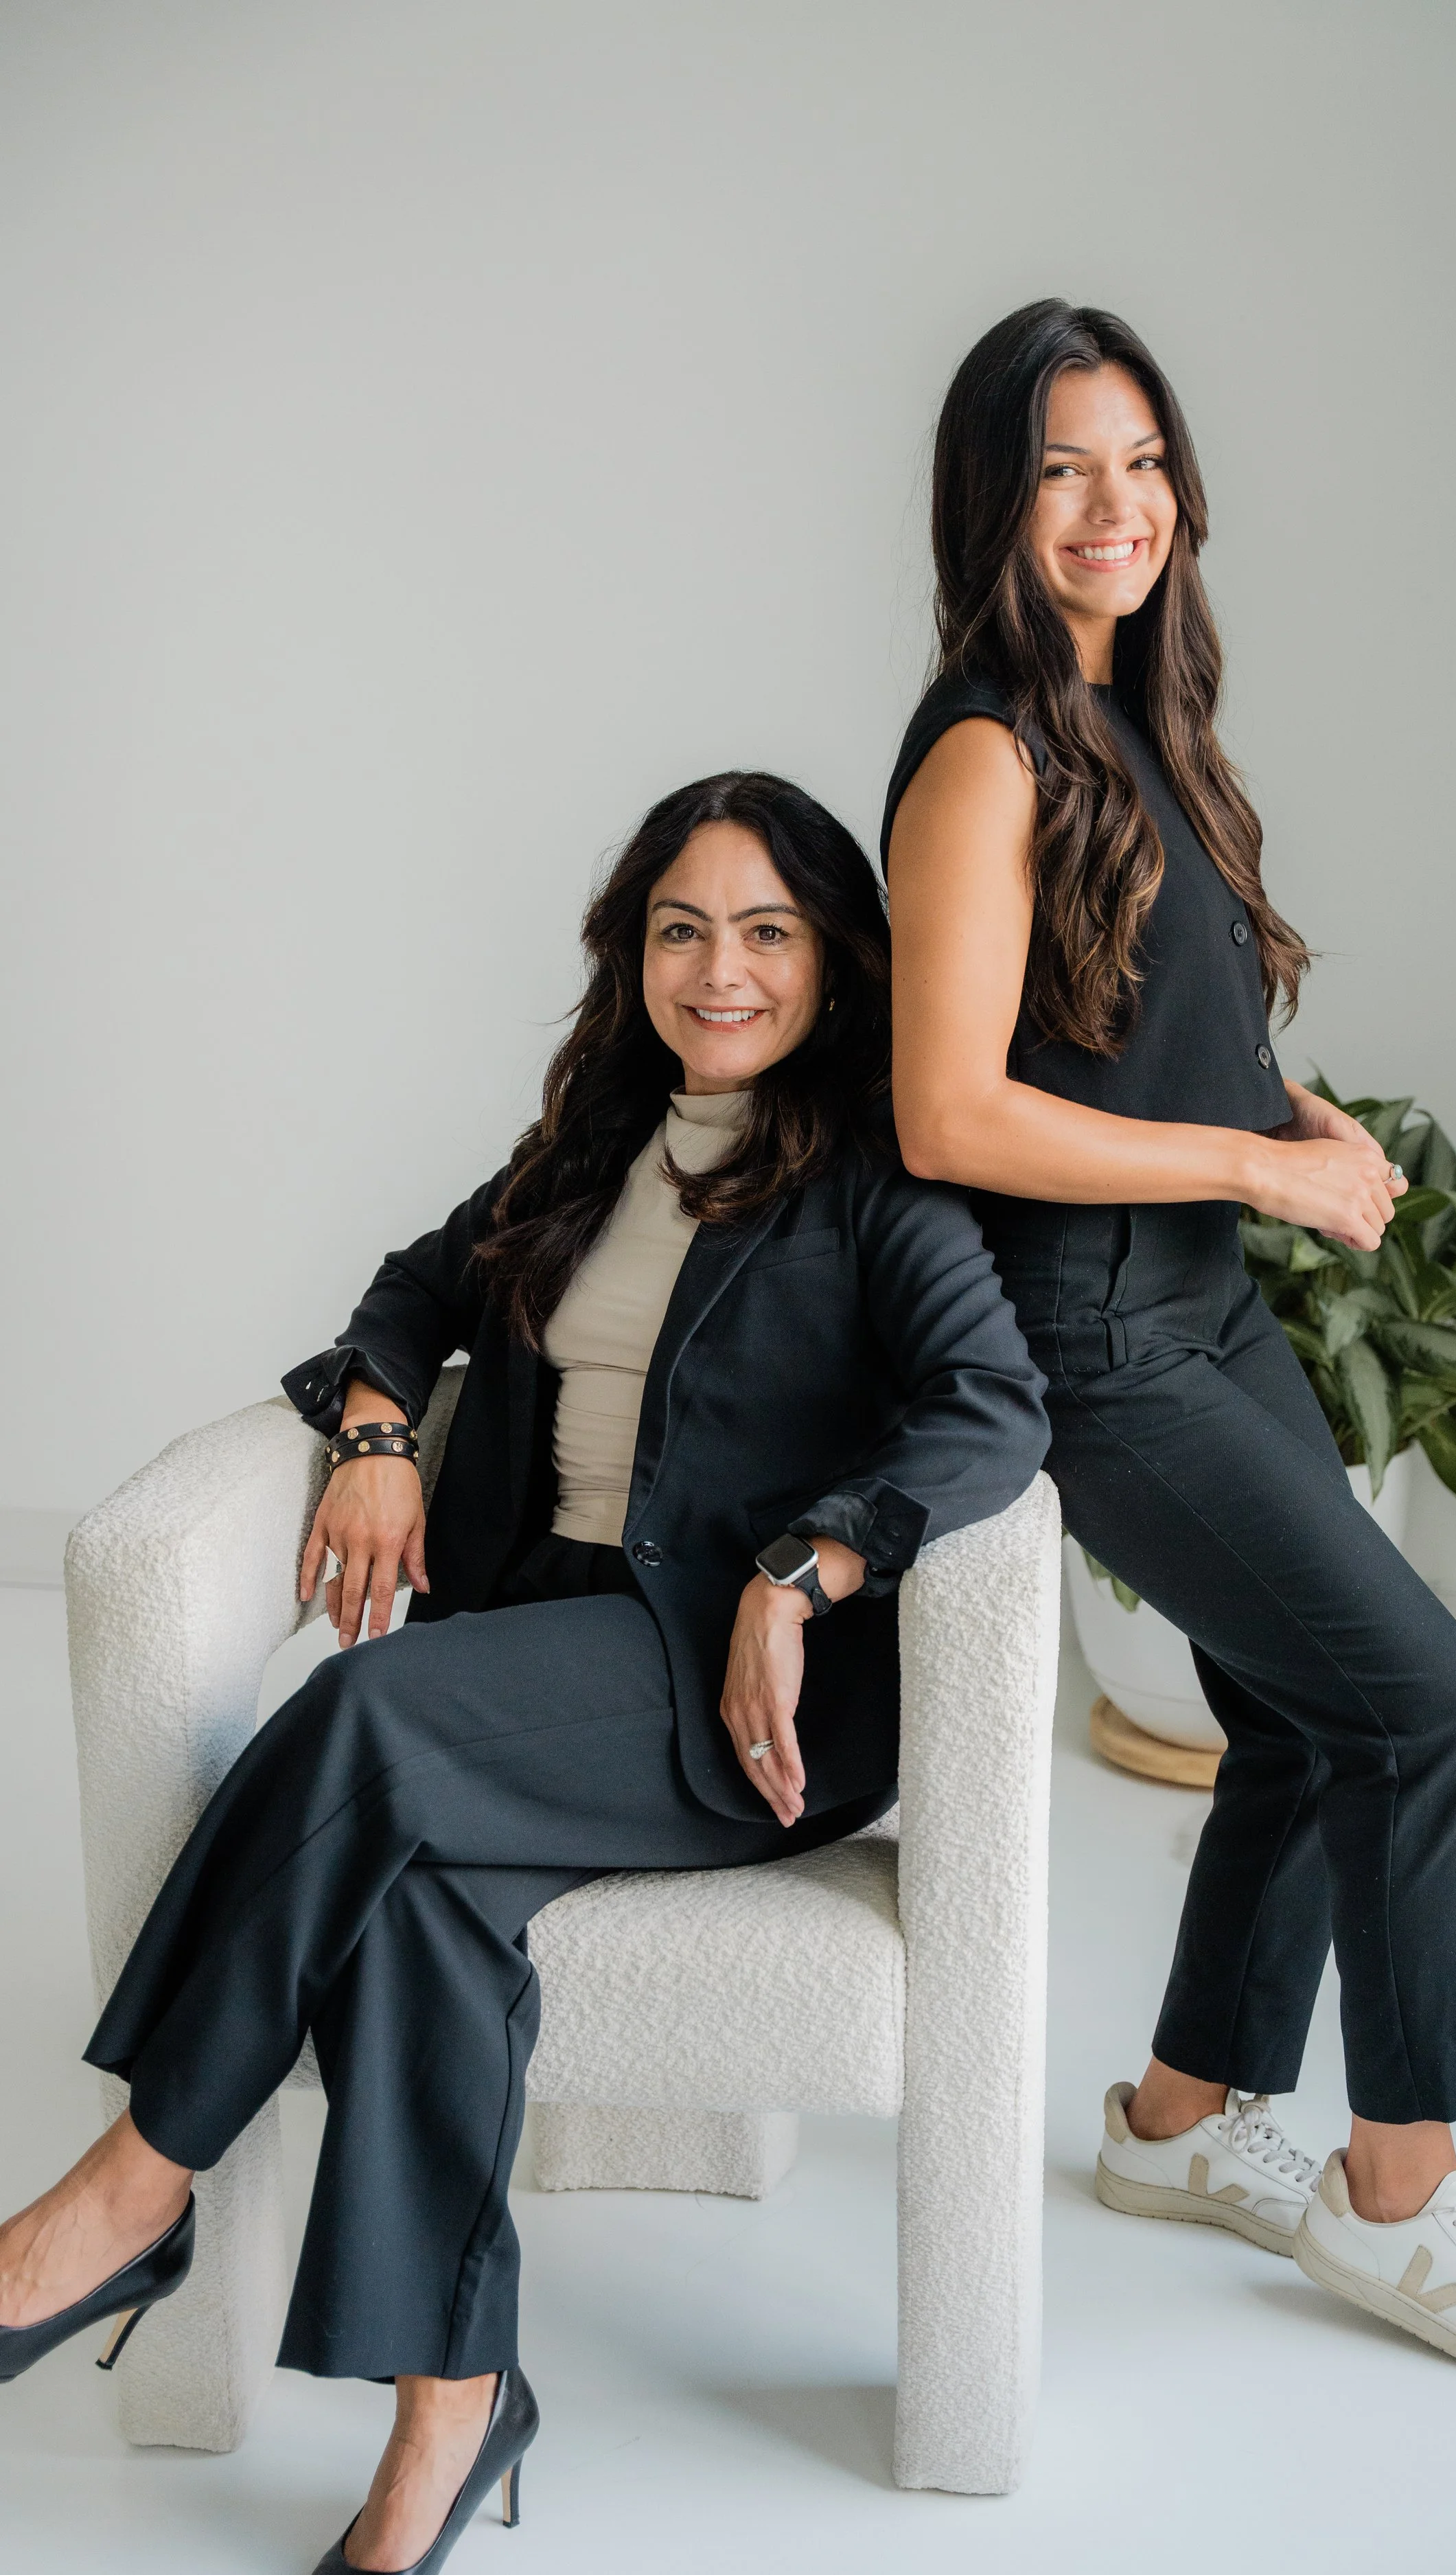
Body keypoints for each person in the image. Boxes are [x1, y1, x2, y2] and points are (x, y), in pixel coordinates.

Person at [0, 770, 1050, 2568]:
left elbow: (996, 1407)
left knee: (357, 1709)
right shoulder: (593, 1140)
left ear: (834, 959)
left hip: (719, 1686)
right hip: (539, 1637)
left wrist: (807, 1567)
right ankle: (454, 2413)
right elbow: (405, 1294)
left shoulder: (880, 1174)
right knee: (418, 1904)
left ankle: (127, 2187)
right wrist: (382, 1432)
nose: (719, 969)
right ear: (630, 953)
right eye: (679, 927)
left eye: (767, 930)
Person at [883, 299, 1456, 2383]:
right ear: (992, 505)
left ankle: (1180, 2122)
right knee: (1432, 1715)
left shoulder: (1139, 712)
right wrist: (1260, 1167)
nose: (1115, 507)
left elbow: (1116, 1023)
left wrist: (1281, 1124)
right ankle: (1399, 2201)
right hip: (1094, 1339)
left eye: (1140, 461)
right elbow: (949, 1108)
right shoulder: (979, 752)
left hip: (1195, 1296)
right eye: (1060, 469)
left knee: (1306, 1718)